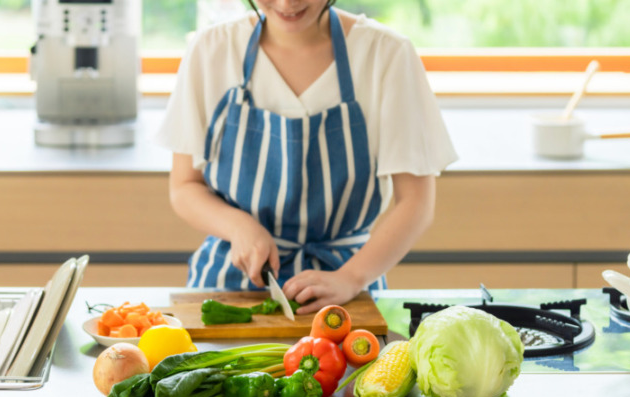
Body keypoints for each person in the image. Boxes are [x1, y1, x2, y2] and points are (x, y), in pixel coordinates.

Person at [157, 0, 457, 314]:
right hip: (229, 286)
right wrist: (238, 227)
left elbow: (416, 203)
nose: (287, 3)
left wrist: (350, 278)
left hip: (346, 289)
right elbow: (184, 187)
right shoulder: (212, 49)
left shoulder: (386, 54)